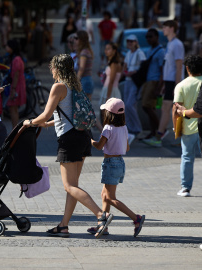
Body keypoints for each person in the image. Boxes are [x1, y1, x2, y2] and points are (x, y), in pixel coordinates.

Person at [23, 54, 113, 238]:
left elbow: (46, 114)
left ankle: (101, 215)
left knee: (69, 186)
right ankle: (63, 226)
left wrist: (30, 122)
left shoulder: (58, 87)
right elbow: (62, 116)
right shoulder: (75, 86)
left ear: (56, 68)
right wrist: (45, 124)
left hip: (69, 140)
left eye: (52, 68)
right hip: (82, 136)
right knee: (73, 186)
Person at [88, 98, 145, 237]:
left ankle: (135, 218)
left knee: (111, 198)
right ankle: (103, 225)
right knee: (104, 195)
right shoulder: (124, 128)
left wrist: (90, 140)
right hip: (120, 162)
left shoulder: (108, 128)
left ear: (108, 114)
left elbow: (99, 146)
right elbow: (127, 147)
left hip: (110, 163)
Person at [144, 20, 184, 147]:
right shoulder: (170, 44)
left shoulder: (177, 44)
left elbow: (179, 66)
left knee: (170, 108)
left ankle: (160, 135)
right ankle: (163, 135)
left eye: (165, 27)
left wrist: (177, 86)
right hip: (169, 81)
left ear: (171, 28)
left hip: (173, 82)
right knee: (168, 108)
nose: (163, 29)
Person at [172, 55, 202, 197]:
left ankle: (185, 188)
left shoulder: (181, 85)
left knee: (187, 157)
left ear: (187, 68)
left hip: (188, 128)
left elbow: (176, 109)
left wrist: (175, 128)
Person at [141, 28, 165, 140]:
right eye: (147, 37)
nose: (148, 39)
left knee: (146, 105)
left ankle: (162, 129)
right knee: (149, 107)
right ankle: (153, 132)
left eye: (151, 36)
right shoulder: (150, 49)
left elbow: (162, 71)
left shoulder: (161, 52)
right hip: (148, 80)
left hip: (155, 81)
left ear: (157, 37)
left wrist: (159, 87)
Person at [122, 34, 146, 137]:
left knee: (129, 104)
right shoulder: (128, 53)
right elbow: (125, 66)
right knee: (126, 106)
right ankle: (130, 127)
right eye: (128, 41)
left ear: (136, 42)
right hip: (128, 80)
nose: (129, 43)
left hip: (135, 81)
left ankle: (137, 128)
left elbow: (143, 66)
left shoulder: (139, 53)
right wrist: (125, 72)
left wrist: (134, 72)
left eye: (131, 41)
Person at [99, 42, 122, 126]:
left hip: (111, 90)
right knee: (105, 115)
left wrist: (108, 97)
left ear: (114, 51)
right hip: (107, 88)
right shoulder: (111, 62)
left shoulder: (114, 63)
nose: (106, 51)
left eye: (108, 49)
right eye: (105, 49)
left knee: (108, 116)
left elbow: (112, 81)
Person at [5, 39, 26, 128]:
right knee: (14, 108)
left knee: (12, 108)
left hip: (16, 86)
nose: (6, 48)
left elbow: (16, 75)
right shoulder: (17, 57)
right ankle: (15, 128)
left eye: (8, 46)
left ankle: (15, 128)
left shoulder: (16, 59)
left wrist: (13, 90)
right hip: (17, 85)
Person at [76, 30, 94, 100]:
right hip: (87, 80)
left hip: (85, 80)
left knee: (84, 105)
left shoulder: (84, 52)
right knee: (86, 106)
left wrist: (76, 80)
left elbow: (81, 68)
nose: (75, 40)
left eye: (76, 38)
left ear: (81, 40)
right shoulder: (86, 50)